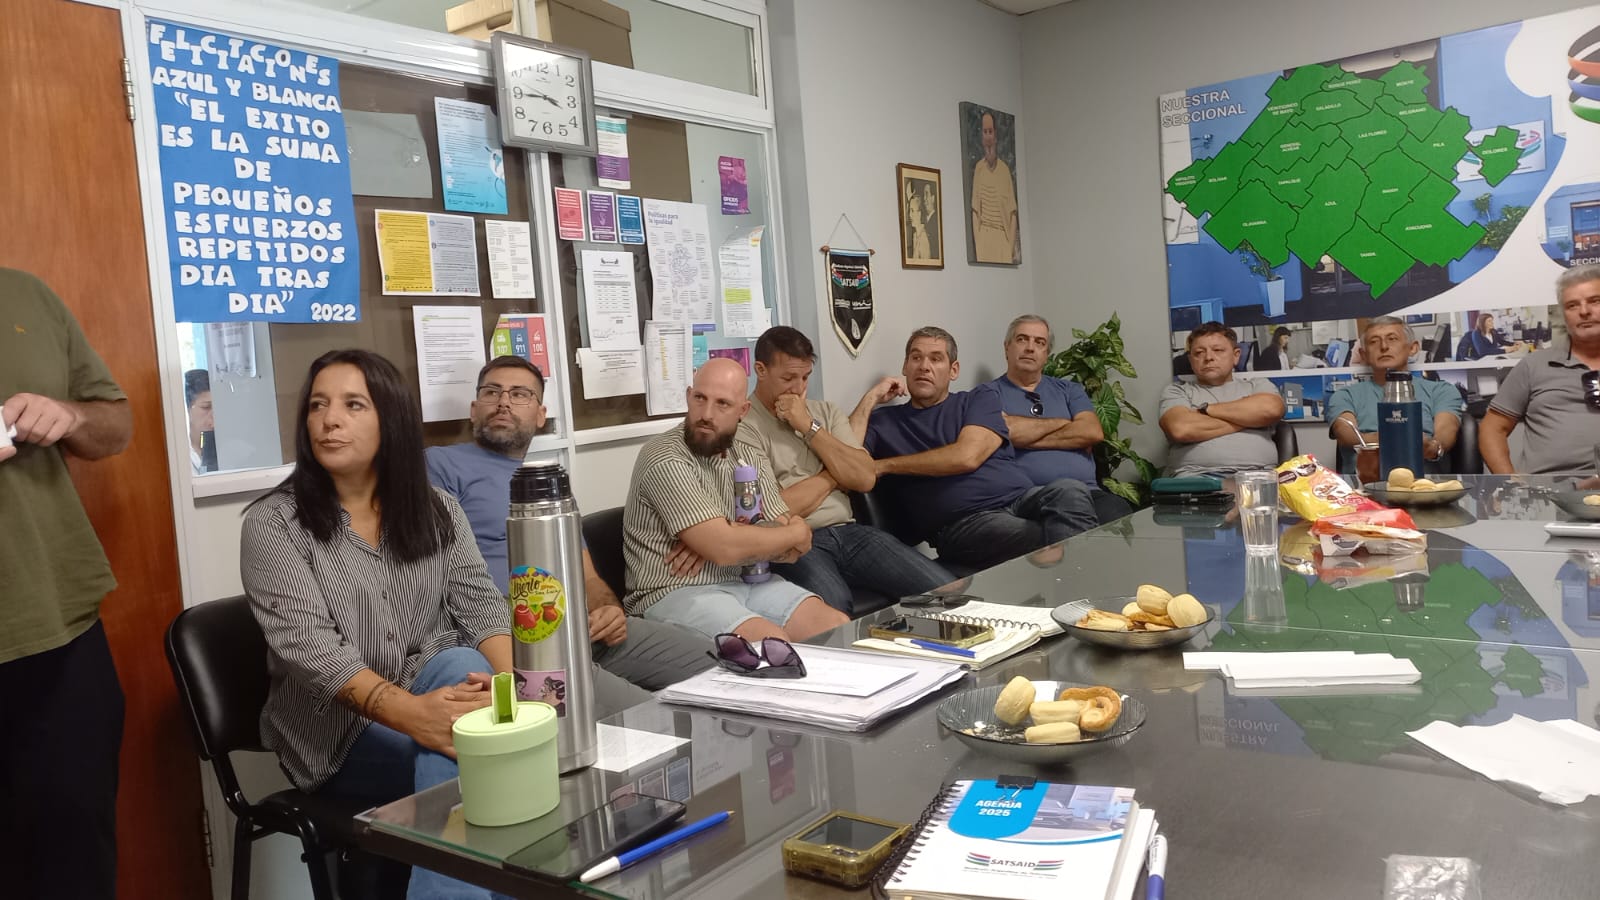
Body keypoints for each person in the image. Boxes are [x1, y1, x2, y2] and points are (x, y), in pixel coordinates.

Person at [241, 349, 513, 900]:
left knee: (468, 675)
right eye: (317, 405)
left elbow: (482, 608)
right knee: (471, 755)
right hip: (335, 731)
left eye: (352, 405)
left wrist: (519, 698)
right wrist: (416, 717)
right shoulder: (273, 524)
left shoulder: (437, 509)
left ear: (390, 419)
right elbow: (317, 654)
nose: (329, 420)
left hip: (433, 691)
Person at [426, 355, 709, 709]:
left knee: (720, 666)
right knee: (651, 719)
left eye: (519, 394)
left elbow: (587, 576)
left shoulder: (547, 482)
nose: (503, 402)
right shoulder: (439, 465)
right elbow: (443, 578)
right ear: (473, 409)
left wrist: (608, 609)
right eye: (492, 392)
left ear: (540, 415)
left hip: (584, 628)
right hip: (522, 641)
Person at [0, 268, 133, 900]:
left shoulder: (26, 295)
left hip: (57, 628)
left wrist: (69, 414)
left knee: (75, 862)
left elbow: (115, 425)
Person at [623, 358, 848, 642]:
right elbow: (727, 548)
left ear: (743, 410)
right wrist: (794, 531)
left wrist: (732, 535)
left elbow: (793, 550)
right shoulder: (663, 456)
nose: (706, 414)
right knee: (772, 643)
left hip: (746, 582)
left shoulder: (747, 454)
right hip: (674, 591)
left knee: (835, 627)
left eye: (722, 404)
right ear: (688, 397)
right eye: (700, 398)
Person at [735, 327, 951, 614]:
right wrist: (833, 474)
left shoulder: (825, 412)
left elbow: (864, 477)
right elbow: (775, 509)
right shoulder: (743, 427)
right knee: (835, 612)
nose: (798, 388)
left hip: (851, 533)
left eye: (805, 377)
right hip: (796, 542)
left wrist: (808, 427)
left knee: (945, 591)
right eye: (788, 378)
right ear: (760, 370)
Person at [851, 326, 1098, 570]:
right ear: (905, 366)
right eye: (916, 358)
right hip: (963, 522)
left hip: (1021, 499)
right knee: (1039, 536)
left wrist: (884, 465)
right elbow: (845, 456)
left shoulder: (977, 400)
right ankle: (1078, 583)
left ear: (954, 370)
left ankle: (1076, 582)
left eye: (936, 359)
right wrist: (871, 397)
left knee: (1071, 490)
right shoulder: (884, 421)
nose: (924, 366)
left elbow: (967, 456)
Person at [988, 314, 1129, 524]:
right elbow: (1007, 431)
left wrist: (1023, 437)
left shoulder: (1069, 390)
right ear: (1007, 347)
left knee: (1120, 515)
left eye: (1039, 342)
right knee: (1069, 506)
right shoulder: (989, 394)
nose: (1030, 348)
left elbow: (1091, 432)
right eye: (1022, 339)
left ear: (1046, 354)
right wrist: (1064, 424)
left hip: (1089, 492)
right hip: (1026, 497)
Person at [1480, 265, 1600, 473]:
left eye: (1595, 301)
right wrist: (1509, 482)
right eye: (1572, 305)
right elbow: (1492, 429)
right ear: (1564, 315)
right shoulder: (1534, 365)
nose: (1584, 311)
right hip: (1553, 487)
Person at [1327, 316, 1462, 476]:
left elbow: (1447, 429)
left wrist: (1432, 446)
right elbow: (1345, 432)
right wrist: (1402, 440)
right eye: (1374, 341)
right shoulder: (1345, 395)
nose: (1384, 346)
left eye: (1392, 339)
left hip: (1425, 484)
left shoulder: (1440, 390)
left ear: (1413, 348)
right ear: (1363, 354)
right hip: (1364, 486)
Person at [1159, 322, 1286, 477]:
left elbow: (1271, 410)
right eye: (1199, 352)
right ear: (1191, 360)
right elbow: (1181, 429)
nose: (1208, 357)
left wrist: (1207, 409)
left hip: (1257, 477)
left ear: (1236, 355)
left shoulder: (1258, 385)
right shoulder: (1177, 391)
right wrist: (1249, 419)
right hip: (1195, 478)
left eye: (1218, 350)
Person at [970, 110, 1019, 264]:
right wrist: (979, 244)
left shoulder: (1004, 170)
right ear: (982, 136)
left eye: (990, 131)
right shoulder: (979, 169)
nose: (988, 136)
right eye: (985, 132)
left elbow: (1012, 214)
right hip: (985, 238)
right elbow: (975, 211)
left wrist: (1009, 247)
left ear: (995, 134)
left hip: (1002, 237)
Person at [185, 367, 214, 473]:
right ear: (188, 408)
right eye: (206, 407)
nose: (213, 415)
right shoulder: (179, 453)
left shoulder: (233, 447)